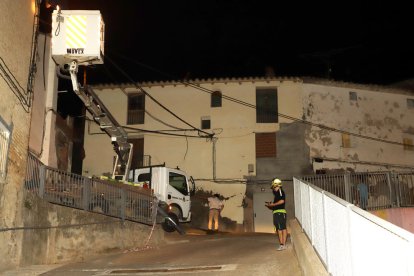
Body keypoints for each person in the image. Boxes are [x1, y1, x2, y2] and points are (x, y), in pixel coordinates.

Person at [265, 178, 287, 251]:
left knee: (281, 228)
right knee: (280, 228)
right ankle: (283, 244)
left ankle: (282, 245)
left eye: (273, 187)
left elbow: (282, 201)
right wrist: (271, 205)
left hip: (280, 213)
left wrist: (273, 204)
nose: (273, 189)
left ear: (276, 185)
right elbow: (278, 203)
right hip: (277, 212)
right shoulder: (277, 193)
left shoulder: (280, 191)